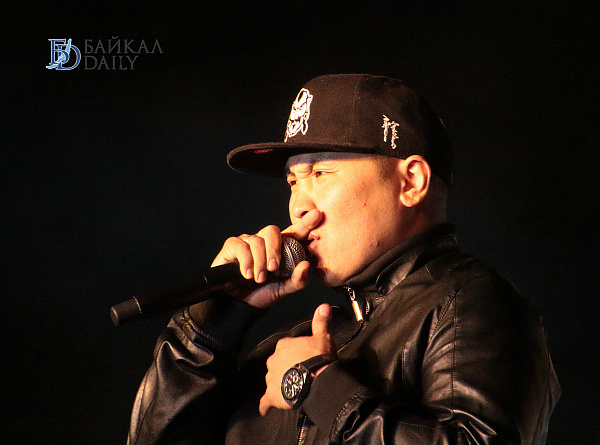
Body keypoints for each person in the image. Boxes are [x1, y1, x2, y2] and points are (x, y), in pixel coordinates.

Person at [126, 74, 560, 444]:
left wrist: (317, 386)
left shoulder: (469, 303)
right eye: (293, 181)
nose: (299, 205)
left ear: (411, 182)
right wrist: (207, 331)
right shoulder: (286, 348)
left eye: (320, 173)